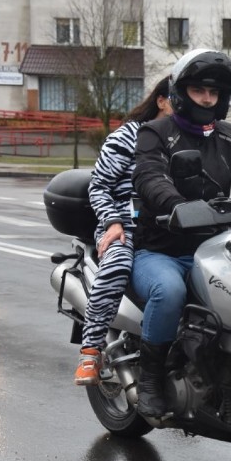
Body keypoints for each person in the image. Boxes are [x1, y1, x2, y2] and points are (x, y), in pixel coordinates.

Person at [131, 49, 231, 417]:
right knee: (169, 291)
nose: (206, 98)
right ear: (181, 92)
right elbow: (149, 176)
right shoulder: (157, 132)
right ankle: (150, 378)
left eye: (213, 92)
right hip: (160, 249)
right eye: (199, 89)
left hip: (216, 250)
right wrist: (175, 205)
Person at [74, 77, 172, 385]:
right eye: (179, 98)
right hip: (125, 225)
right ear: (161, 100)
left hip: (170, 229)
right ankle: (90, 352)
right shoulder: (129, 135)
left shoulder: (184, 140)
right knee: (116, 263)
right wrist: (112, 222)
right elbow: (99, 186)